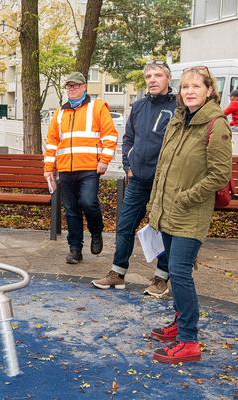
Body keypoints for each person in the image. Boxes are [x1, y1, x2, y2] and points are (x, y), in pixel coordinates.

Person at [147, 66, 232, 364]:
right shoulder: (179, 121)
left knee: (181, 274)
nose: (190, 91)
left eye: (197, 86)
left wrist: (186, 198)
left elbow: (220, 175)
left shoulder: (215, 125)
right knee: (173, 269)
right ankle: (180, 323)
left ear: (210, 90)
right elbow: (163, 167)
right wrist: (155, 204)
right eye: (185, 87)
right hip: (168, 210)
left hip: (190, 213)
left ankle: (188, 340)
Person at [92, 61, 175, 297]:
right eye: (148, 75)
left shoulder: (177, 106)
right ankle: (117, 274)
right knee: (125, 226)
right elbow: (128, 138)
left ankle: (161, 279)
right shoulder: (138, 106)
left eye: (158, 75)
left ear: (168, 78)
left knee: (163, 229)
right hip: (137, 179)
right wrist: (129, 166)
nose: (152, 79)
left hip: (165, 181)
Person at [43, 72, 118, 264]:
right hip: (66, 169)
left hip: (89, 168)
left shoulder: (97, 107)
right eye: (69, 86)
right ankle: (75, 249)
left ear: (84, 87)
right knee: (71, 210)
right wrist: (49, 168)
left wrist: (105, 160)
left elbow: (109, 135)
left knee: (88, 202)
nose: (72, 89)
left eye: (75, 86)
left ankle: (96, 231)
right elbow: (52, 142)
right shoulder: (60, 113)